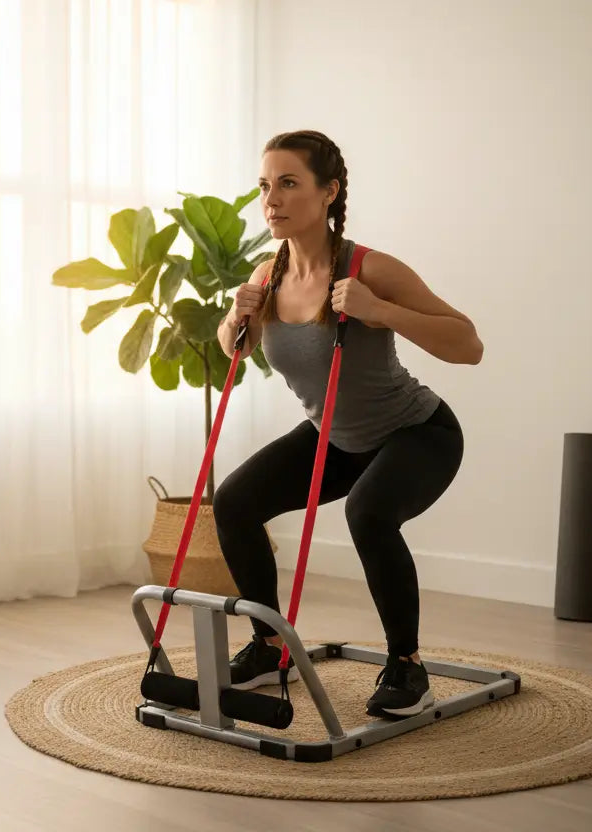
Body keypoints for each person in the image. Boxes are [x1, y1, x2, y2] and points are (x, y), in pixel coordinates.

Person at [212, 129, 483, 719]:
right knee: (232, 504)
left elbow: (468, 345)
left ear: (329, 192)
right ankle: (268, 643)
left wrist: (379, 310)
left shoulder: (369, 267)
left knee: (369, 513)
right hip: (334, 436)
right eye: (265, 185)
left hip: (417, 433)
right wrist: (236, 315)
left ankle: (408, 669)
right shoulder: (268, 273)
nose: (272, 200)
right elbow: (235, 347)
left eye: (288, 183)